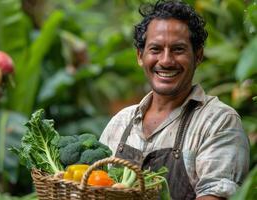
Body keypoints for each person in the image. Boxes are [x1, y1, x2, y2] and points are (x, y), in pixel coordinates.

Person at [99, 0, 250, 199]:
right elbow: (94, 183)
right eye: (155, 49)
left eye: (178, 49)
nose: (166, 61)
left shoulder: (218, 122)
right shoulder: (121, 121)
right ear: (140, 56)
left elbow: (215, 195)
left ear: (198, 56)